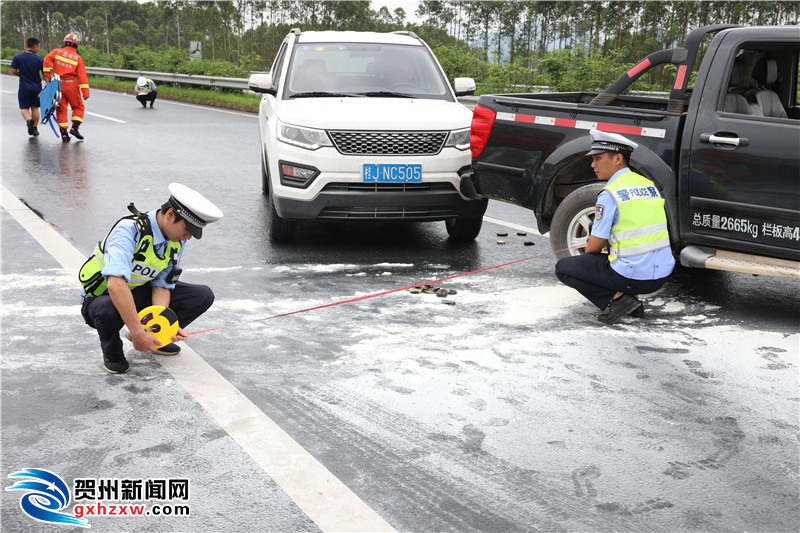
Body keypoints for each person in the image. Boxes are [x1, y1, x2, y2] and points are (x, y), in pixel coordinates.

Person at [79, 183, 224, 374]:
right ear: (171, 214)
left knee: (202, 295)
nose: (188, 237)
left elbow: (162, 286)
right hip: (102, 297)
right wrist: (138, 332)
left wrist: (163, 325)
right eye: (187, 229)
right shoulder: (130, 230)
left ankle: (154, 338)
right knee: (107, 309)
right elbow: (115, 284)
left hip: (138, 293)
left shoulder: (176, 240)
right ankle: (113, 353)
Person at [555, 130, 675, 324]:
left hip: (633, 278)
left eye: (597, 158)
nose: (592, 165)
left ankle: (619, 299)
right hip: (662, 275)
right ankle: (631, 299)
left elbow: (593, 248)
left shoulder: (610, 194)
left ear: (618, 158)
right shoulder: (648, 185)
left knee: (564, 268)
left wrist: (594, 246)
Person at [43, 33, 90, 142]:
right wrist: (85, 92)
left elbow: (46, 61)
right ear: (76, 45)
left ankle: (64, 134)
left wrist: (49, 77)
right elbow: (82, 76)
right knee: (78, 107)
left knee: (61, 108)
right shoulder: (77, 58)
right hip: (71, 85)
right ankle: (75, 128)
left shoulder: (56, 52)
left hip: (58, 85)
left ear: (65, 42)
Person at [10, 37, 44, 137]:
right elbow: (45, 73)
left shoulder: (18, 57)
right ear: (35, 46)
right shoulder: (39, 59)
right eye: (38, 46)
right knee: (35, 108)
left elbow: (13, 70)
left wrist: (20, 75)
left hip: (24, 87)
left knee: (24, 108)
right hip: (37, 87)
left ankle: (29, 121)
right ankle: (35, 128)